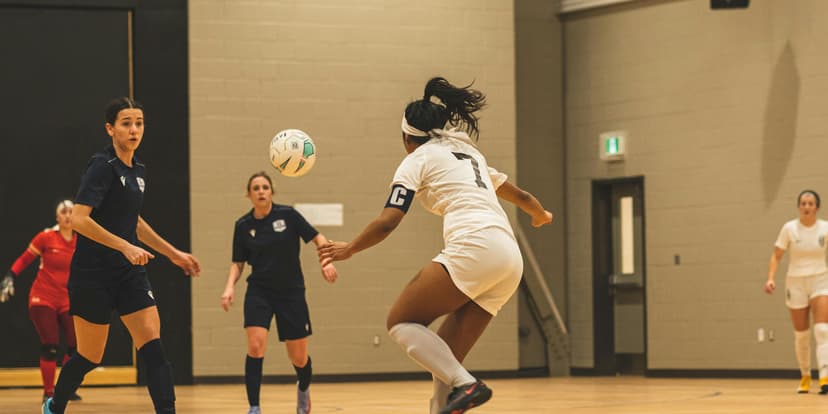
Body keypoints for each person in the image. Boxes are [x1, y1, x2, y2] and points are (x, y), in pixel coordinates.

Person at [318, 77, 554, 414]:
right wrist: (541, 215)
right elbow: (523, 197)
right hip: (509, 259)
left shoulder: (417, 159)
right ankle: (451, 397)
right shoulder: (469, 153)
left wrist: (350, 248)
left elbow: (388, 220)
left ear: (406, 137)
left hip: (475, 245)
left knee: (401, 323)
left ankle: (470, 385)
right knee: (446, 359)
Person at [42, 97, 201, 414]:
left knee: (153, 347)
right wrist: (124, 246)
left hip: (129, 275)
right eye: (126, 123)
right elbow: (79, 219)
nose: (134, 129)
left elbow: (135, 224)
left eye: (139, 122)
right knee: (89, 357)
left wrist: (173, 254)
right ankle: (55, 405)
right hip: (93, 276)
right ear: (110, 128)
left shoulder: (138, 169)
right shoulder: (102, 166)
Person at [221, 171, 338, 414]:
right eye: (256, 188)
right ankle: (254, 407)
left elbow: (317, 237)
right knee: (255, 346)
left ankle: (303, 389)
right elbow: (238, 262)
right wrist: (229, 286)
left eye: (265, 187)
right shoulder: (243, 225)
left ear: (272, 191)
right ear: (249, 194)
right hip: (259, 291)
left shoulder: (288, 215)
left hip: (291, 292)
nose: (261, 191)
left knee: (298, 358)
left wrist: (326, 261)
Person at [1, 200, 82, 402]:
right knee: (50, 346)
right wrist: (10, 276)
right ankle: (49, 392)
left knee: (76, 347)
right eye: (63, 212)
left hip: (66, 299)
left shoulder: (81, 241)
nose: (67, 215)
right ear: (57, 218)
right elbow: (24, 259)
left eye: (71, 211)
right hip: (42, 297)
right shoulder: (46, 237)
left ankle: (65, 388)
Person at [766, 189, 828, 395]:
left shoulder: (825, 228)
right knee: (801, 335)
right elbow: (777, 255)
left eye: (811, 203)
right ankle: (805, 376)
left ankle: (825, 377)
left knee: (822, 330)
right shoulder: (789, 228)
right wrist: (771, 278)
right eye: (803, 203)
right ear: (799, 206)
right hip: (796, 282)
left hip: (821, 280)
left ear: (817, 207)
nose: (807, 207)